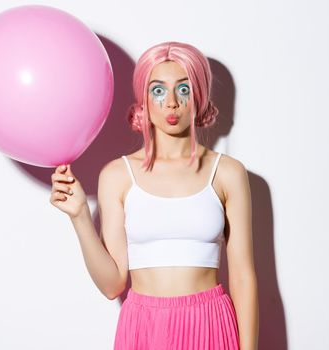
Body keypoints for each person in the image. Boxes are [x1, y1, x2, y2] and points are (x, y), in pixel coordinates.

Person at [50, 41, 258, 350]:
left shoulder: (227, 173)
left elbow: (242, 278)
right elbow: (112, 285)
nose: (171, 103)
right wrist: (80, 215)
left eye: (184, 89)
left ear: (199, 96)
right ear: (144, 101)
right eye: (158, 91)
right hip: (144, 327)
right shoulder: (117, 176)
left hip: (210, 322)